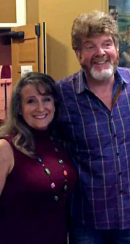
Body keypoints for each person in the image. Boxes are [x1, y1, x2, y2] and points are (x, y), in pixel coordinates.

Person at [56, 11, 130, 244]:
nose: (100, 53)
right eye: (89, 46)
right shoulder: (62, 95)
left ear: (116, 47)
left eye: (107, 44)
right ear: (78, 53)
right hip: (87, 222)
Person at [0, 72, 77, 244]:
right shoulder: (6, 148)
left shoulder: (59, 144)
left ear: (55, 104)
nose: (40, 108)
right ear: (19, 108)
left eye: (46, 99)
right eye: (31, 101)